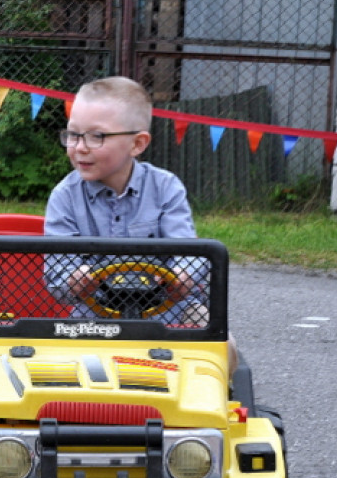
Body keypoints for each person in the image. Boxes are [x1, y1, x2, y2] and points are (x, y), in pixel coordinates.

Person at [44, 76, 237, 368]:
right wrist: (76, 278)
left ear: (137, 144)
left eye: (97, 136)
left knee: (225, 347)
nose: (80, 147)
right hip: (95, 315)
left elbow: (189, 253)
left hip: (168, 309)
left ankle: (220, 402)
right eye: (73, 134)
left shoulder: (165, 187)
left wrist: (182, 276)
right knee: (58, 360)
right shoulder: (65, 196)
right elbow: (58, 270)